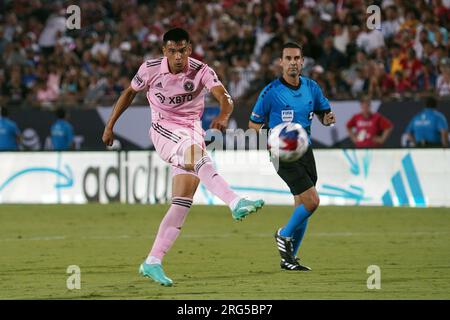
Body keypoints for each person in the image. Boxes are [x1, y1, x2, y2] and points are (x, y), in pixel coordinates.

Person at [101, 28, 264, 286]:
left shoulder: (201, 70)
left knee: (181, 202)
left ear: (189, 49)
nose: (179, 56)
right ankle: (234, 201)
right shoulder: (150, 69)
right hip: (163, 128)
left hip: (192, 129)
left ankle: (152, 261)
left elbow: (225, 97)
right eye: (173, 51)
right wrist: (110, 126)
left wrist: (223, 116)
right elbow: (129, 93)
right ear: (165, 51)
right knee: (197, 156)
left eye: (183, 50)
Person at [248, 42, 336, 271]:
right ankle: (283, 234)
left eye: (297, 58)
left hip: (305, 151)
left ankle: (289, 259)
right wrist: (273, 140)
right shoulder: (270, 92)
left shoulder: (311, 87)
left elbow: (323, 113)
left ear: (302, 61)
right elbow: (253, 125)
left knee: (302, 205)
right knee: (312, 201)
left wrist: (327, 119)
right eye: (288, 58)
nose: (293, 62)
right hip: (282, 155)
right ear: (281, 62)